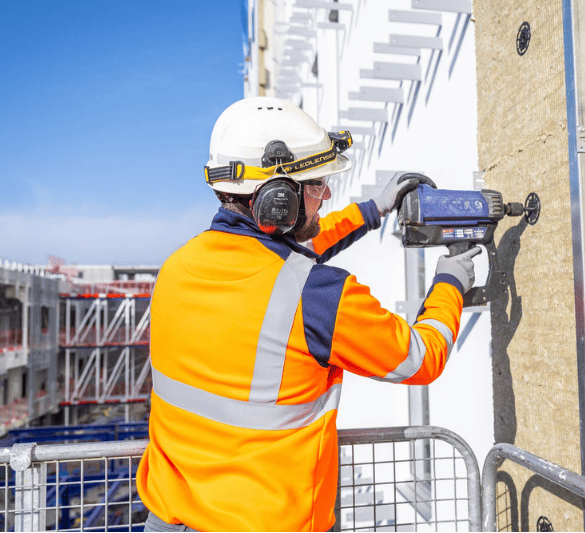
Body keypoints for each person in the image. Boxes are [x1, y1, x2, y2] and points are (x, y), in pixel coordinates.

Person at [136, 97, 481, 532]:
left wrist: (373, 209)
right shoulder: (317, 295)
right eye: (317, 184)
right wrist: (450, 281)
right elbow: (419, 357)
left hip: (166, 519)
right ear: (279, 200)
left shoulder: (176, 268)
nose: (327, 193)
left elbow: (288, 258)